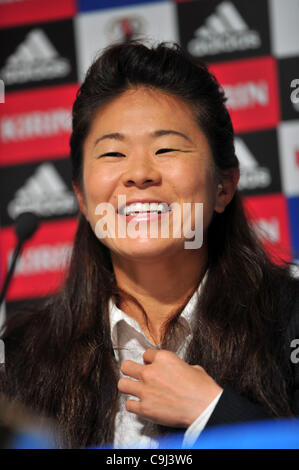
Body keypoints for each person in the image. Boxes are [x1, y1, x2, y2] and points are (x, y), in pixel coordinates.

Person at [0, 41, 298, 449]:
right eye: (113, 153)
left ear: (224, 185)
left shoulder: (291, 322)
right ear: (83, 199)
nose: (139, 174)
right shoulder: (21, 356)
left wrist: (213, 412)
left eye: (166, 148)